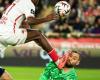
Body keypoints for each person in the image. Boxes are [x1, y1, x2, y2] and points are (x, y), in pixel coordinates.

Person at [0, 0, 71, 79]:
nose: (38, 2)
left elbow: (21, 20)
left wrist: (27, 29)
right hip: (9, 33)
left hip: (1, 33)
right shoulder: (29, 3)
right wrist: (46, 19)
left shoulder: (20, 1)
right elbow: (30, 20)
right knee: (38, 35)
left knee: (5, 77)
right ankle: (58, 62)